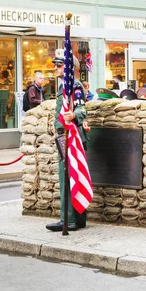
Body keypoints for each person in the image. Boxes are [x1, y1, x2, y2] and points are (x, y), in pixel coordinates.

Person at [46, 49, 88, 232]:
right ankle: (77, 219)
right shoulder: (65, 85)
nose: (56, 67)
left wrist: (74, 115)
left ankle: (68, 219)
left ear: (70, 67)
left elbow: (81, 108)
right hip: (66, 135)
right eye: (55, 64)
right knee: (71, 176)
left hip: (72, 136)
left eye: (59, 65)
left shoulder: (74, 85)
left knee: (68, 177)